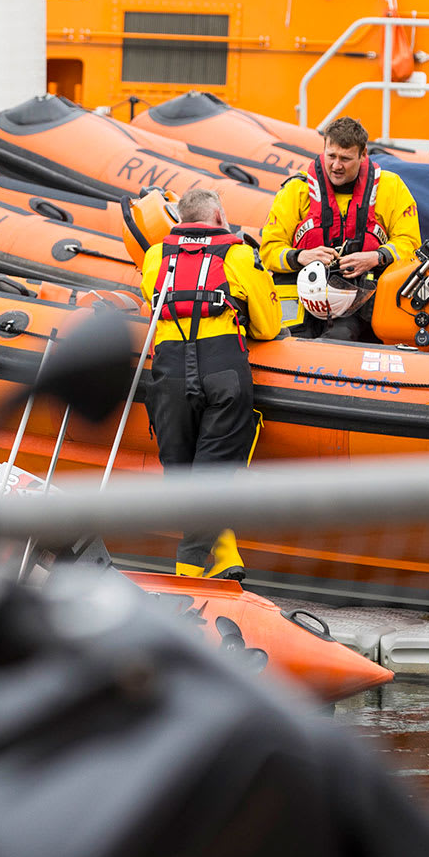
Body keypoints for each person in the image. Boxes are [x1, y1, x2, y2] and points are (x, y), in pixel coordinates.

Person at [139, 187, 283, 579]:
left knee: (183, 476)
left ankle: (225, 553)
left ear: (180, 221)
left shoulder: (155, 256)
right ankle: (188, 569)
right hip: (222, 370)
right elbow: (269, 326)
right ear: (219, 217)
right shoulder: (238, 254)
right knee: (213, 475)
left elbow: (151, 301)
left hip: (168, 372)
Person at [260, 116, 422, 341]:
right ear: (324, 148)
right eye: (331, 156)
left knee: (343, 335)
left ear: (363, 154)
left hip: (357, 296)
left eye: (345, 159)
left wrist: (376, 257)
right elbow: (268, 251)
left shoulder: (391, 188)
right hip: (300, 296)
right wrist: (302, 256)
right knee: (291, 340)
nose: (336, 166)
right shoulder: (296, 191)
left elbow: (410, 244)